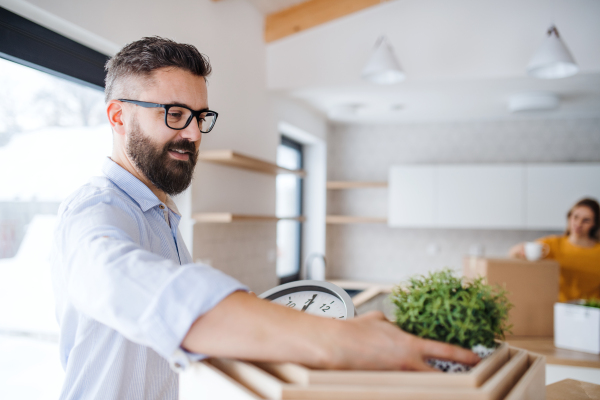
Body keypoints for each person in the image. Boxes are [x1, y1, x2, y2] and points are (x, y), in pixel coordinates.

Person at [50, 37, 479, 400]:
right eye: (175, 114)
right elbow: (127, 283)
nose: (194, 134)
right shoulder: (94, 210)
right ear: (119, 117)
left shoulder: (162, 216)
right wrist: (338, 341)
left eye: (200, 117)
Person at [509, 198, 600, 302]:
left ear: (595, 224)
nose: (578, 224)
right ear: (569, 217)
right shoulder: (553, 245)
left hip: (593, 311)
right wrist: (522, 250)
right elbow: (513, 253)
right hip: (560, 308)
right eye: (575, 217)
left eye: (586, 220)